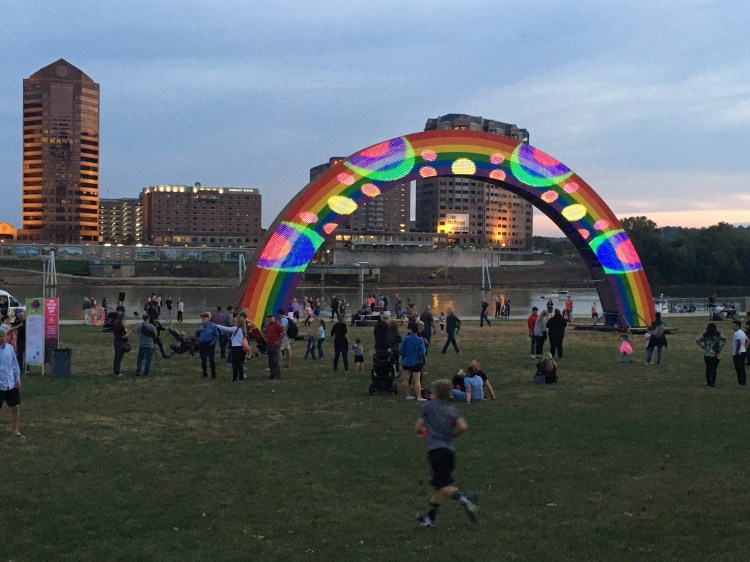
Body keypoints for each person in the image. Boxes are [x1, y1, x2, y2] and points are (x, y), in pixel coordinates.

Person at [415, 379, 478, 527]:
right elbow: (463, 426)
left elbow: (418, 427)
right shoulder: (453, 410)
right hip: (449, 451)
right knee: (440, 485)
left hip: (436, 451)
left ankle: (466, 498)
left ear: (435, 393)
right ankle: (429, 519)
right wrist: (452, 435)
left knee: (444, 485)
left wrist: (423, 432)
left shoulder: (428, 407)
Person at [0, 325, 23, 437]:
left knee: (16, 407)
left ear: (6, 337)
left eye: (3, 336)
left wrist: (17, 378)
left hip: (11, 383)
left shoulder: (9, 348)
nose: (2, 338)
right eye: (0, 336)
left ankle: (15, 430)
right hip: (0, 385)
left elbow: (15, 364)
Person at [216, 312, 248, 381]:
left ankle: (234, 377)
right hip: (241, 347)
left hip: (236, 347)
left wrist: (217, 325)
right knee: (240, 363)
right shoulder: (243, 329)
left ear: (238, 322)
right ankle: (241, 377)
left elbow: (226, 328)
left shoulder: (235, 329)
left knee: (235, 363)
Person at [400, 323, 427, 401]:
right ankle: (419, 396)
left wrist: (404, 356)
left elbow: (401, 350)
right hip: (416, 362)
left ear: (410, 330)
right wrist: (419, 357)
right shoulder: (420, 340)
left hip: (406, 362)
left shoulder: (405, 339)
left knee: (406, 379)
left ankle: (407, 395)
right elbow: (423, 351)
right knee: (417, 380)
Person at [696, 322, 726, 387]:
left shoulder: (705, 334)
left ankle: (708, 382)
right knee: (714, 369)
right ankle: (713, 382)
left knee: (708, 368)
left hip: (707, 354)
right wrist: (720, 347)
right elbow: (724, 339)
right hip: (716, 353)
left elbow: (697, 340)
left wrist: (703, 346)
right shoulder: (718, 334)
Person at [195, 311, 219, 378]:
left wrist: (212, 343)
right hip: (202, 344)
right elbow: (196, 335)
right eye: (202, 318)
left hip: (209, 344)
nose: (203, 319)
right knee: (203, 359)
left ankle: (213, 373)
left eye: (204, 318)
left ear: (208, 318)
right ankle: (204, 373)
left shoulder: (212, 325)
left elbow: (217, 335)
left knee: (211, 359)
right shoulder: (200, 325)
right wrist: (198, 330)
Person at [265, 313, 286, 379]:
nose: (270, 319)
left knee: (275, 360)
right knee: (270, 361)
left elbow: (283, 332)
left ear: (274, 318)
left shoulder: (277, 325)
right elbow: (267, 332)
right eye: (269, 317)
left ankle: (277, 375)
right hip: (269, 344)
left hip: (275, 345)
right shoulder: (268, 325)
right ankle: (272, 374)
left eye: (271, 317)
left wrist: (279, 340)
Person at [731, 320, 748, 386]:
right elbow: (748, 340)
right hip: (743, 352)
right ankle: (743, 382)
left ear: (738, 326)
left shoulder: (737, 333)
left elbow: (738, 342)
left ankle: (740, 382)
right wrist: (745, 348)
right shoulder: (742, 332)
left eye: (734, 326)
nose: (732, 327)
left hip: (738, 353)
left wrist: (737, 351)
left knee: (738, 368)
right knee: (742, 368)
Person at [112, 312, 129, 376]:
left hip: (116, 341)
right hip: (120, 342)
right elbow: (123, 336)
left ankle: (116, 370)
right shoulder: (120, 326)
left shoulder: (115, 325)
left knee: (117, 357)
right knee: (119, 358)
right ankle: (117, 372)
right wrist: (128, 333)